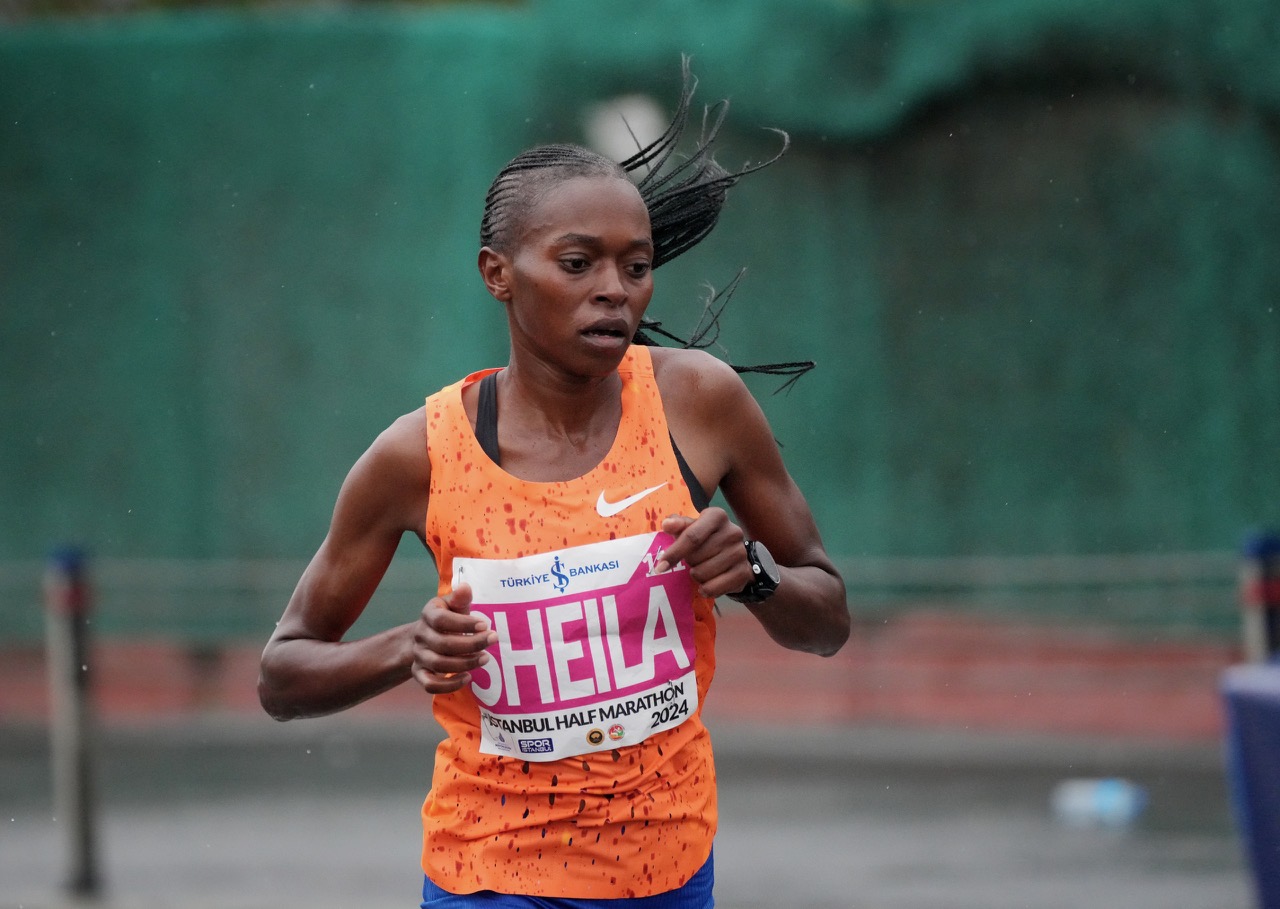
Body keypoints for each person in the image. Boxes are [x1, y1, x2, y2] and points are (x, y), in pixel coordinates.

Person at [258, 65, 850, 908]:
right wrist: (408, 648)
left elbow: (828, 619)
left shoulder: (699, 404)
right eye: (577, 263)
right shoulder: (419, 455)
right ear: (498, 273)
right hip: (490, 874)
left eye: (636, 266)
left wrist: (754, 574)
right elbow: (282, 675)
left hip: (668, 870)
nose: (614, 289)